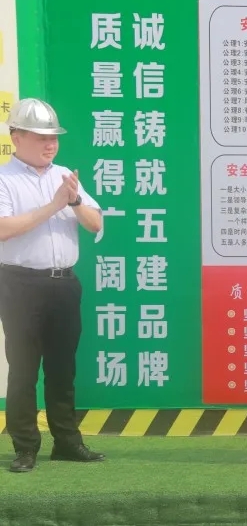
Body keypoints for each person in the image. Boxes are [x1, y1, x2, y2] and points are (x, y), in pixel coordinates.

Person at [0, 98, 105, 473]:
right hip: (20, 285)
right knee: (24, 369)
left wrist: (73, 200)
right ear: (16, 137)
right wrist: (54, 205)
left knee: (63, 368)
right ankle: (25, 447)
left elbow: (95, 223)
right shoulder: (5, 179)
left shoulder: (64, 176)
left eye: (54, 137)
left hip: (64, 285)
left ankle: (67, 442)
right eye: (41, 137)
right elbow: (3, 229)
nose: (50, 144)